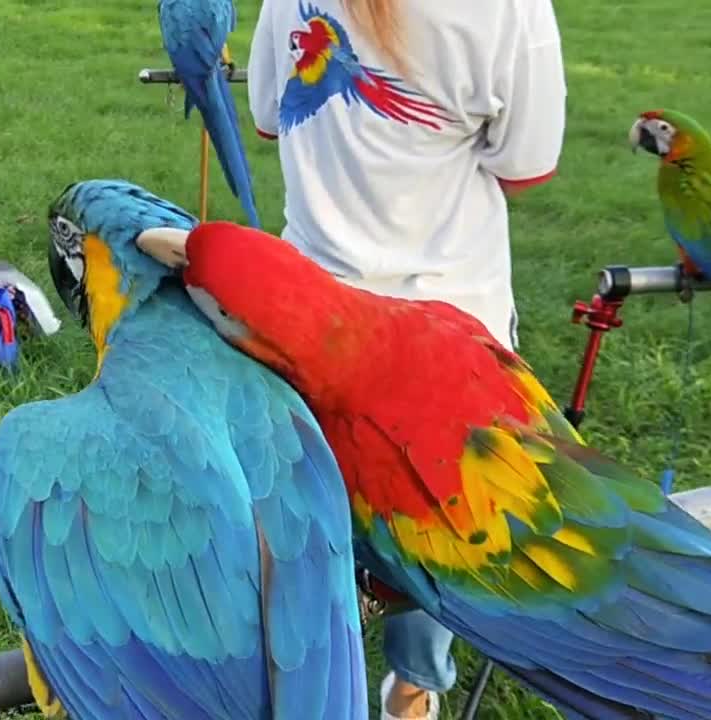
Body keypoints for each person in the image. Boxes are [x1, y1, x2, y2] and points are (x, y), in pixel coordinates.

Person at [246, 0, 567, 718]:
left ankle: (303, 687)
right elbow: (526, 167)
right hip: (448, 332)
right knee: (440, 525)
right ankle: (413, 692)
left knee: (300, 526)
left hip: (305, 319)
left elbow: (270, 119)